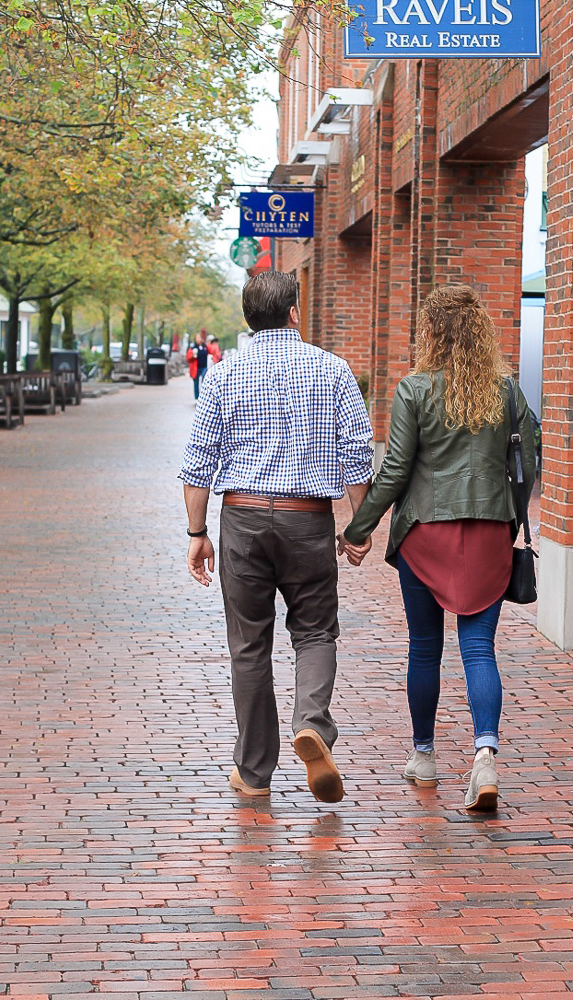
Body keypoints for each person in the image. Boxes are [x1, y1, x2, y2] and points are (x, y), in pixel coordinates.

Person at [337, 284, 536, 812]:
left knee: (425, 646)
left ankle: (423, 756)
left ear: (431, 333)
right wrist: (510, 520)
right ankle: (485, 756)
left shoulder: (415, 389)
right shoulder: (508, 392)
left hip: (426, 532)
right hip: (491, 529)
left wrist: (359, 529)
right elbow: (527, 467)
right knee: (479, 647)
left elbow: (396, 471)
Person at [180, 271, 374, 802]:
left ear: (249, 318)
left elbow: (197, 465)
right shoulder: (333, 371)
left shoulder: (223, 375)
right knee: (314, 631)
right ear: (293, 313)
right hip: (306, 519)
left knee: (249, 645)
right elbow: (357, 455)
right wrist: (359, 527)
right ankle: (311, 722)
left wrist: (197, 533)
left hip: (241, 518)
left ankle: (254, 772)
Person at [186, 332, 209, 400]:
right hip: (195, 368)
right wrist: (193, 355)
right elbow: (188, 358)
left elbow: (209, 353)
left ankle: (203, 395)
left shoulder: (205, 346)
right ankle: (197, 396)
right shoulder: (193, 348)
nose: (198, 339)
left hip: (204, 366)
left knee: (204, 380)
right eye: (197, 338)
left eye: (199, 338)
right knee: (196, 382)